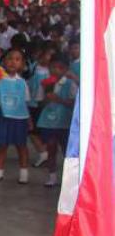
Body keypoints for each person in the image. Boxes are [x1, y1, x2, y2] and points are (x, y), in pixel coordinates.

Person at [0, 48, 32, 184]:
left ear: (22, 64)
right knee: (2, 146)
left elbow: (25, 102)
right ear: (3, 62)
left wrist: (29, 120)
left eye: (17, 59)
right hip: (2, 118)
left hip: (19, 119)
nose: (13, 62)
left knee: (21, 146)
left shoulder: (22, 82)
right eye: (10, 58)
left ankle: (24, 173)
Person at [36, 55, 77, 187]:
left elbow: (74, 104)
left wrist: (59, 100)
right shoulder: (45, 83)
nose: (56, 70)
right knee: (51, 148)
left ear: (66, 69)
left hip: (64, 121)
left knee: (67, 151)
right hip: (48, 121)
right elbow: (39, 102)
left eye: (60, 68)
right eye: (53, 67)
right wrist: (46, 98)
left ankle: (69, 178)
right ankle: (52, 176)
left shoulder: (70, 84)